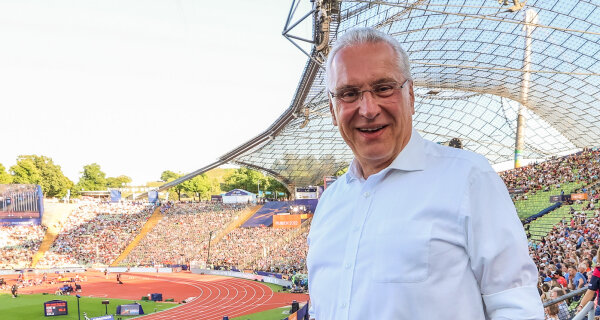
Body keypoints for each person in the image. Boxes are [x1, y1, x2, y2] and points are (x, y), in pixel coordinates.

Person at [306, 27, 544, 319]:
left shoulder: (468, 177)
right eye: (349, 93)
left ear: (411, 96)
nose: (367, 109)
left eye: (383, 88)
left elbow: (515, 305)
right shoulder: (329, 203)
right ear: (332, 110)